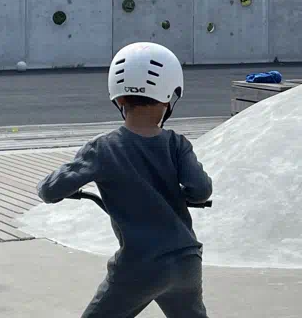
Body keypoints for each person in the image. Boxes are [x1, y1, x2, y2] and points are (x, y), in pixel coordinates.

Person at [36, 42, 213, 318]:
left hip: (139, 266)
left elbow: (50, 190)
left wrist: (52, 187)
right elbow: (201, 190)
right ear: (170, 97)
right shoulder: (177, 144)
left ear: (118, 100)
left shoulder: (103, 149)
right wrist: (184, 195)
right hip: (186, 261)